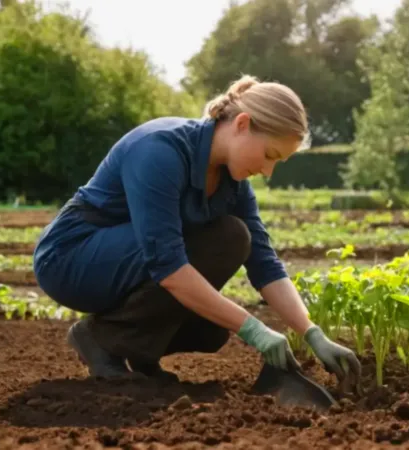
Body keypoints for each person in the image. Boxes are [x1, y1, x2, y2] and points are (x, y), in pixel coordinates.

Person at [32, 74, 361, 386]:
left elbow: (264, 263)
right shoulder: (160, 151)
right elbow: (168, 265)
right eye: (268, 155)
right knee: (218, 245)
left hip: (127, 257)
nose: (267, 171)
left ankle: (136, 352)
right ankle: (99, 339)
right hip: (71, 258)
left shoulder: (231, 181)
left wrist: (312, 333)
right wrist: (255, 330)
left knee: (212, 325)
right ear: (242, 124)